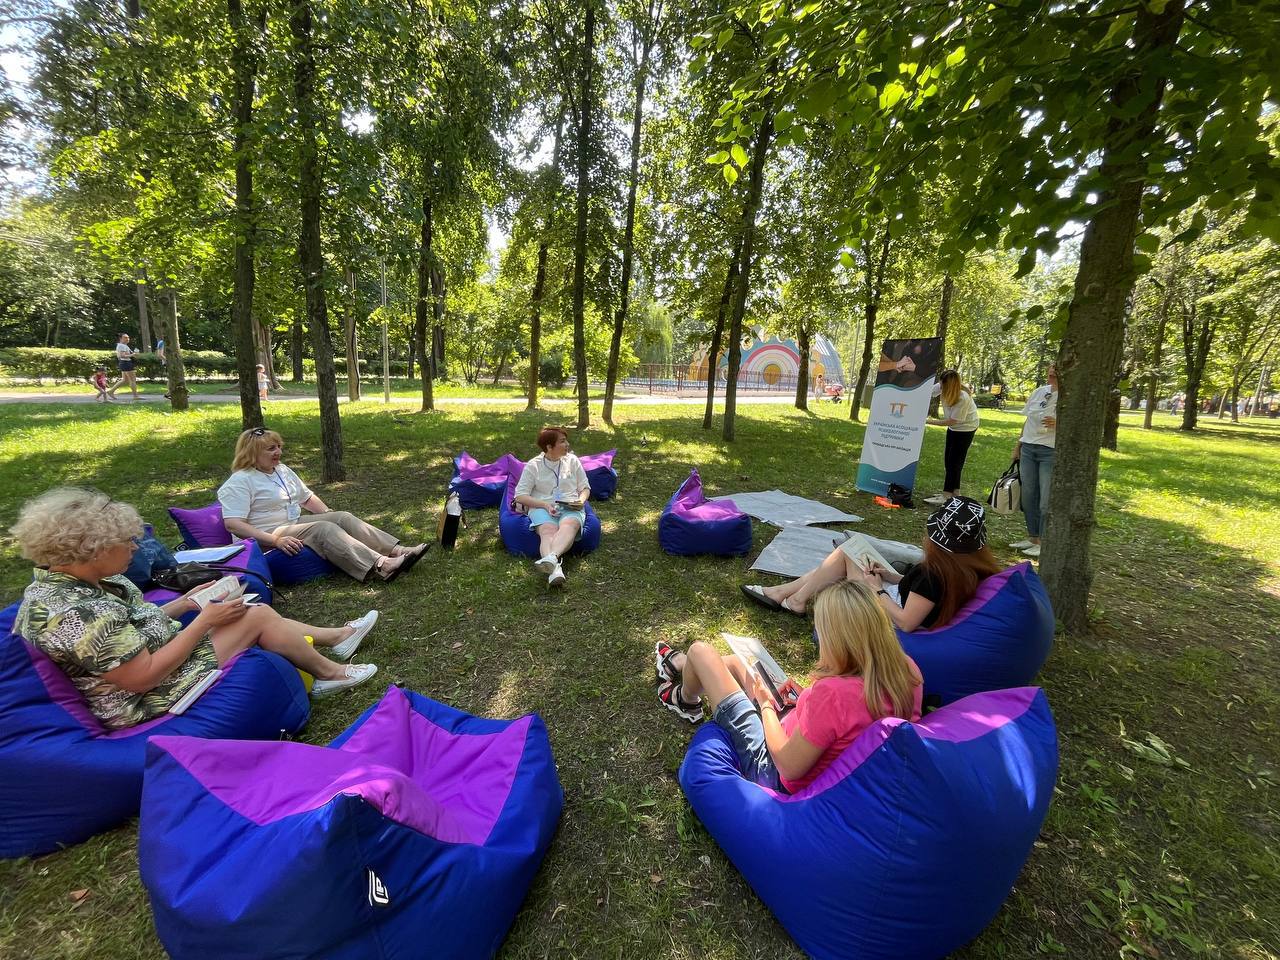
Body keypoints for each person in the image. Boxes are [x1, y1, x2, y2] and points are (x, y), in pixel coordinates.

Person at [11, 488, 380, 729]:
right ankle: (332, 667)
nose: (136, 550)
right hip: (144, 697)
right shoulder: (74, 613)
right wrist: (203, 620)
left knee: (250, 610)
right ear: (92, 548)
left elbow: (132, 626)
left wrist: (183, 604)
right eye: (126, 542)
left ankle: (335, 644)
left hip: (154, 662)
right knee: (256, 616)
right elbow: (142, 676)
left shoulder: (97, 583)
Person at [653, 580, 923, 794]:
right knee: (737, 662)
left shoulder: (833, 695)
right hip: (808, 742)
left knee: (702, 652)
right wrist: (805, 699)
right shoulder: (907, 670)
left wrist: (767, 705)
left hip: (772, 768)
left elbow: (787, 766)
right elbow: (848, 724)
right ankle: (682, 666)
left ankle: (685, 698)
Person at [742, 496, 1001, 632]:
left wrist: (876, 588)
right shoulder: (967, 567)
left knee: (847, 552)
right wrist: (891, 575)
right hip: (897, 596)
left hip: (887, 613)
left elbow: (907, 622)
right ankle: (789, 596)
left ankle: (790, 597)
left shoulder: (936, 573)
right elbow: (922, 594)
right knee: (851, 553)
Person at [218, 428, 428, 583]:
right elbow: (234, 525)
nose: (278, 452)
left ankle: (398, 551)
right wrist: (275, 540)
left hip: (291, 522)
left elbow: (307, 498)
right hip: (264, 535)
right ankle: (382, 566)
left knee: (341, 517)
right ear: (252, 453)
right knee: (323, 528)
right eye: (271, 448)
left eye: (279, 446)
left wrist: (329, 514)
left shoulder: (281, 470)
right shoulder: (240, 481)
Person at [513, 427, 591, 589]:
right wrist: (544, 505)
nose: (567, 444)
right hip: (542, 505)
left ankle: (552, 559)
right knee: (548, 530)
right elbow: (520, 496)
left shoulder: (572, 461)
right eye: (562, 442)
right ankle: (555, 569)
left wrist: (581, 501)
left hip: (570, 505)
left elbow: (585, 488)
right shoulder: (533, 466)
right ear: (549, 447)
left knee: (570, 524)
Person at [1011, 364, 1057, 559]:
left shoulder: (1070, 396)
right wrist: (1018, 445)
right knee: (1029, 495)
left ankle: (1045, 543)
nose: (1051, 373)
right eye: (1050, 371)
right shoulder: (1040, 391)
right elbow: (1027, 421)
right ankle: (1033, 538)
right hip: (1029, 448)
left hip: (1050, 450)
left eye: (1055, 372)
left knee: (1046, 499)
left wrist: (1060, 423)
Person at [924, 370, 980, 505]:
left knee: (954, 462)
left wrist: (926, 421)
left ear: (950, 385)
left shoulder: (962, 397)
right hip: (954, 428)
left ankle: (946, 496)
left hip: (966, 429)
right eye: (940, 384)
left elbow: (952, 421)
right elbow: (925, 393)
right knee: (949, 460)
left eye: (943, 386)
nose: (940, 388)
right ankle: (955, 493)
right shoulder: (942, 385)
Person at [109, 333, 140, 402]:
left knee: (125, 380)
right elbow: (121, 355)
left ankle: (111, 391)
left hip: (124, 363)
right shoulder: (122, 346)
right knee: (132, 380)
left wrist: (134, 354)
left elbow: (127, 355)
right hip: (126, 363)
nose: (127, 339)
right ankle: (135, 396)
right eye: (125, 338)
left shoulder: (123, 345)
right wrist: (133, 354)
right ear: (120, 339)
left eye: (128, 337)